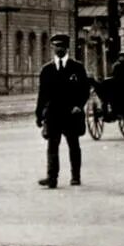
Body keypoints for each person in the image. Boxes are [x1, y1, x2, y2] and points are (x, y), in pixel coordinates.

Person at [35, 33, 92, 188]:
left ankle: (75, 176)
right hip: (53, 114)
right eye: (56, 46)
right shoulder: (47, 70)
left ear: (67, 48)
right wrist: (39, 114)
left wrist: (78, 106)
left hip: (71, 114)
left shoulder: (77, 68)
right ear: (52, 48)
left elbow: (85, 90)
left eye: (62, 46)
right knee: (52, 146)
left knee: (73, 145)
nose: (59, 49)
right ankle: (52, 178)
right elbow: (42, 94)